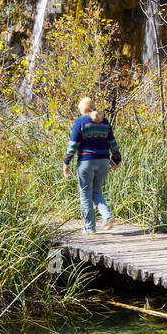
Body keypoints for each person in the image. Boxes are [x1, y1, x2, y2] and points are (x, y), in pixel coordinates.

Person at [63, 96, 121, 234]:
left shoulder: (81, 122)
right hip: (104, 161)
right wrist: (116, 160)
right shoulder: (105, 122)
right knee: (96, 191)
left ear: (82, 109)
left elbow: (73, 145)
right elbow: (112, 143)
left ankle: (89, 228)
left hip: (86, 161)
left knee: (85, 194)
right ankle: (107, 216)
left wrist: (67, 162)